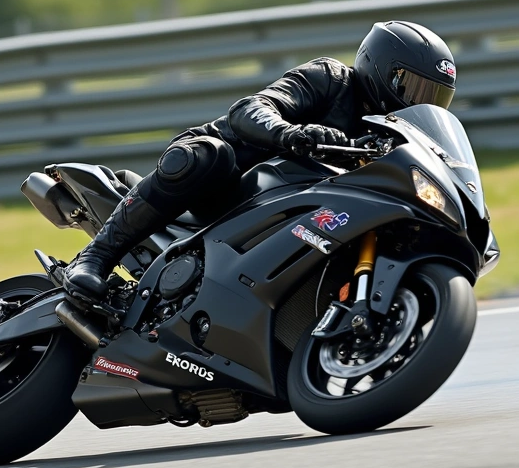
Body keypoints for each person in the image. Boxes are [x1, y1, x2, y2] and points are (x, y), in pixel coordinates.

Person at [65, 20, 458, 301]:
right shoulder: (330, 80)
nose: (419, 102)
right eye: (413, 87)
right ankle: (96, 256)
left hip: (295, 209)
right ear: (380, 68)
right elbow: (251, 108)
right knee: (206, 156)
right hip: (227, 183)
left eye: (433, 97)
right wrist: (291, 133)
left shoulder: (389, 134)